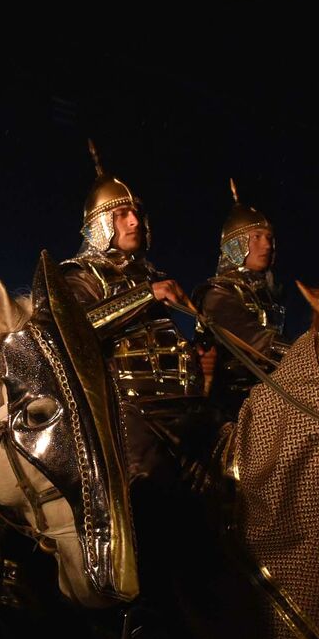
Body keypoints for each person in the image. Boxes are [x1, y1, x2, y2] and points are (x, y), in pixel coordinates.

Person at [59, 141, 201, 486]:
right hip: (124, 412)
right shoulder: (80, 275)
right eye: (121, 214)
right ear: (101, 224)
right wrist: (145, 295)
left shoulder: (152, 275)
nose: (134, 220)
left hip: (183, 409)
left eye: (135, 211)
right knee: (147, 491)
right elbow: (76, 330)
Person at [192, 179, 286, 420]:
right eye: (256, 237)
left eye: (268, 237)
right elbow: (254, 340)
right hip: (232, 405)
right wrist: (306, 354)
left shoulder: (267, 294)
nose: (266, 244)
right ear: (236, 244)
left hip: (273, 392)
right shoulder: (218, 293)